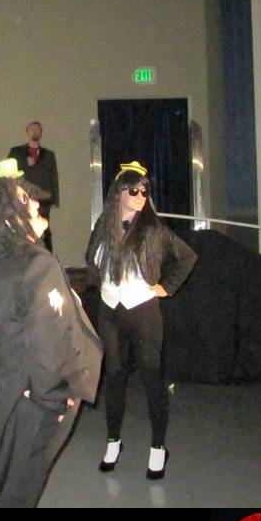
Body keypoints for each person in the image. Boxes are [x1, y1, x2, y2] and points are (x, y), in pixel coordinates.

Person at [0, 176, 100, 507]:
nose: (33, 203)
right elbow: (51, 345)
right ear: (6, 215)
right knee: (17, 492)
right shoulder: (36, 264)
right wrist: (56, 402)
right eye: (24, 200)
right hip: (26, 403)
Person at [85, 161, 197, 479]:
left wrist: (166, 287)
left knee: (151, 377)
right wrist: (101, 279)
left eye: (145, 190)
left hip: (143, 310)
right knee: (114, 377)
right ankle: (113, 441)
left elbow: (187, 256)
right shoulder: (103, 225)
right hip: (110, 309)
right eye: (133, 190)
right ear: (118, 192)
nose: (140, 195)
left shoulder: (153, 228)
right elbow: (89, 256)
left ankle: (158, 446)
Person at [7, 120, 59, 252]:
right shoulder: (16, 152)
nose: (35, 132)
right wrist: (26, 164)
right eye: (32, 130)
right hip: (22, 199)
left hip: (43, 200)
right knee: (23, 230)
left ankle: (47, 257)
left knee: (44, 231)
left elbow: (53, 177)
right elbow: (8, 171)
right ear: (27, 133)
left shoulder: (49, 155)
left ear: (41, 133)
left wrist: (55, 199)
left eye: (37, 130)